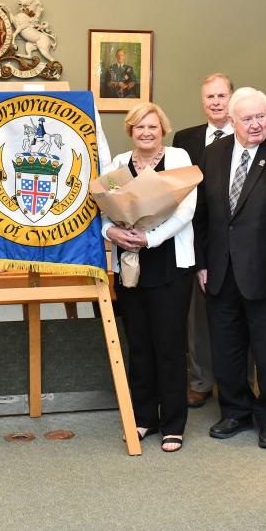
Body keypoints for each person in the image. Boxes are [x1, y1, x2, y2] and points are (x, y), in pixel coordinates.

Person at [194, 87, 266, 449]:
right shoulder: (213, 154)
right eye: (247, 119)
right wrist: (201, 263)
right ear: (231, 121)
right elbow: (202, 215)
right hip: (221, 271)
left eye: (261, 116)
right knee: (227, 349)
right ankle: (235, 411)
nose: (256, 124)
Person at [102, 103, 197, 452]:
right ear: (130, 130)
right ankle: (143, 418)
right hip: (129, 266)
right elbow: (104, 209)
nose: (146, 133)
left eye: (153, 127)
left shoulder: (178, 158)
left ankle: (174, 424)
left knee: (169, 346)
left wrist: (149, 237)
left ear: (163, 129)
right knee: (139, 345)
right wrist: (111, 232)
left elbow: (186, 210)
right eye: (140, 127)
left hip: (170, 263)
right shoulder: (116, 166)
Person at [171, 72, 235, 409]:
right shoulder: (186, 139)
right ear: (202, 101)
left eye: (221, 96)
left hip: (236, 239)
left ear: (232, 98)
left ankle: (237, 382)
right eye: (209, 97)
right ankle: (199, 381)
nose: (215, 102)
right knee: (197, 318)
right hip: (193, 235)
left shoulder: (248, 134)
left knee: (237, 315)